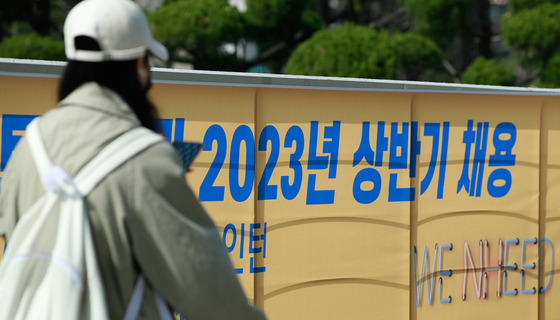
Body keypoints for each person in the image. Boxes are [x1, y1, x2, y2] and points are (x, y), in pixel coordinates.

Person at [0, 0, 266, 319]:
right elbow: (213, 301)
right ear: (139, 66)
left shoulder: (29, 147)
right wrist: (157, 177)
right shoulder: (146, 159)